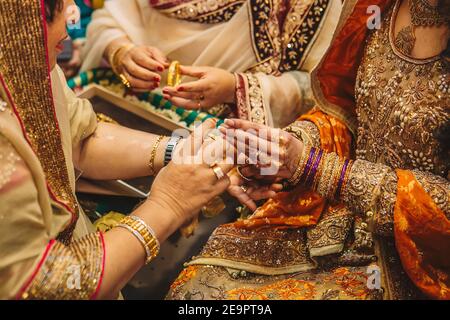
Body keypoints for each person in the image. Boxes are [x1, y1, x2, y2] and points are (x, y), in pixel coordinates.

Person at [167, 0, 449, 300]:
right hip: (341, 223)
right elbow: (344, 112)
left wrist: (314, 166)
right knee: (196, 290)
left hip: (420, 262)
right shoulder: (377, 7)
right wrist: (280, 148)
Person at [0, 0, 248, 299]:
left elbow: (79, 137)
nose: (74, 13)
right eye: (58, 5)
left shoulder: (24, 61)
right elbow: (45, 286)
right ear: (16, 21)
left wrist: (180, 152)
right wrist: (168, 204)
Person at [80, 0, 342, 128]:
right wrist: (122, 52)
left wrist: (236, 89)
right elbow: (110, 18)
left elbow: (328, 90)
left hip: (228, 150)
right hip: (122, 110)